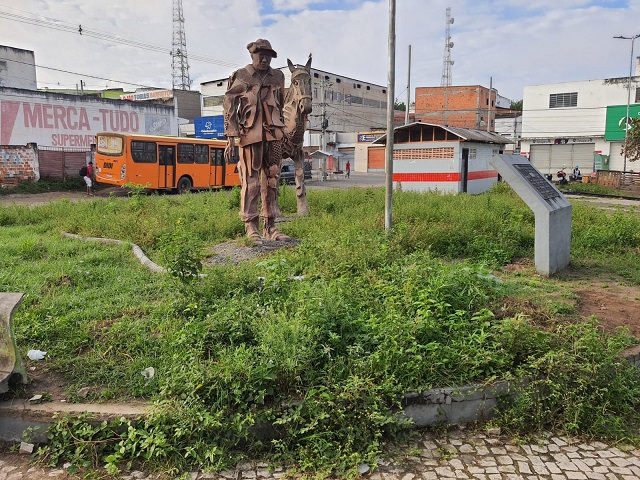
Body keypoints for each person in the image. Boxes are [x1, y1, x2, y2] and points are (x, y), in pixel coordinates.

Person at [223, 38, 290, 242]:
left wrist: (283, 130)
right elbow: (228, 103)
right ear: (252, 55)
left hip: (273, 136)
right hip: (249, 136)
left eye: (268, 55)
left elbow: (280, 104)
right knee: (251, 183)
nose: (265, 59)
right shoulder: (241, 76)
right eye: (261, 54)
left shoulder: (277, 77)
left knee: (271, 180)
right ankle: (251, 227)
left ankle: (270, 227)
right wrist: (231, 137)